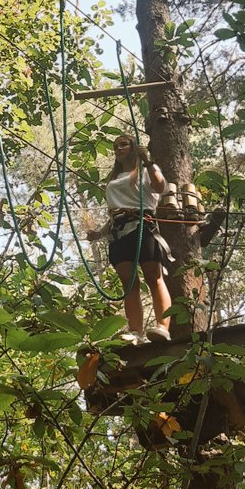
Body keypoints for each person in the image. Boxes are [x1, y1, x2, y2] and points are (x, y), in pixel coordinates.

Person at [87, 134, 173, 343]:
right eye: (116, 146)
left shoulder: (144, 171)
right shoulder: (114, 179)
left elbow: (161, 187)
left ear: (134, 148)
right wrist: (100, 233)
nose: (118, 148)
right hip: (119, 231)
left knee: (153, 276)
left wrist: (149, 162)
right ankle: (136, 332)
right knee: (129, 283)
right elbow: (114, 212)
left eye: (123, 144)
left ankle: (162, 327)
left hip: (142, 225)